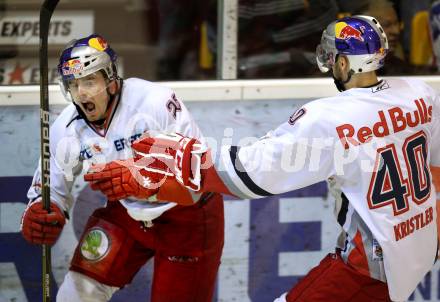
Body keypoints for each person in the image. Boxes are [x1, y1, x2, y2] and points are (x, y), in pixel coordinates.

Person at [89, 16, 440, 301]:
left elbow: (257, 171)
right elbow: (436, 168)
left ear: (344, 62)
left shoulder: (330, 117)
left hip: (372, 264)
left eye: (334, 57)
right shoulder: (420, 94)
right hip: (421, 245)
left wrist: (182, 158)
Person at [19, 34, 224, 302]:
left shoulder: (155, 102)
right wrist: (41, 209)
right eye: (73, 84)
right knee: (75, 294)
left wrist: (143, 181)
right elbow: (50, 187)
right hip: (128, 214)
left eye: (90, 81)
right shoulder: (65, 127)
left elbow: (198, 178)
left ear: (111, 79)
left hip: (188, 220)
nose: (81, 93)